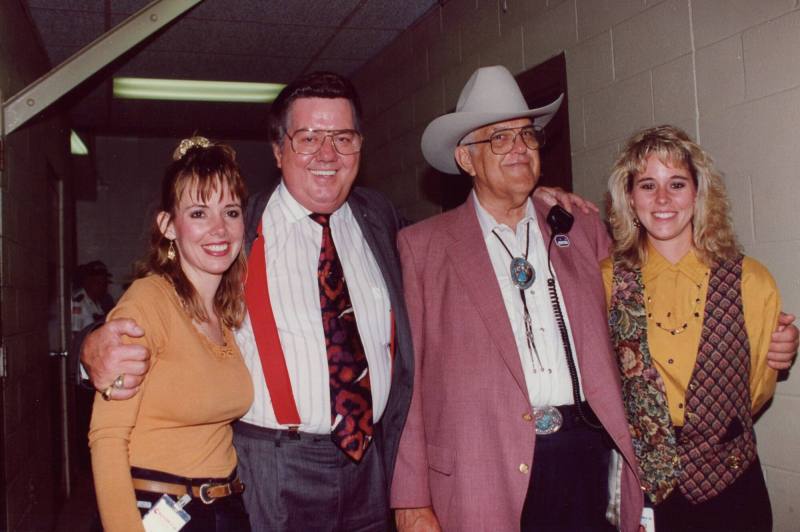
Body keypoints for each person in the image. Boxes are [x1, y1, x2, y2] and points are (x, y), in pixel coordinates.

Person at [83, 72, 415, 531]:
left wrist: (528, 204)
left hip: (372, 467)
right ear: (278, 150)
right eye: (308, 138)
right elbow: (154, 312)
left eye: (343, 137)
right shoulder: (241, 234)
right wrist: (90, 350)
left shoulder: (382, 218)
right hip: (275, 473)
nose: (327, 154)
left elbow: (448, 261)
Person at [390, 65, 643, 531]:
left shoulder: (579, 226)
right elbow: (408, 385)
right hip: (482, 468)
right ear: (466, 159)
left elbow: (640, 327)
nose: (519, 148)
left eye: (527, 135)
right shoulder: (423, 247)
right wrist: (410, 499)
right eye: (499, 138)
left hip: (587, 457)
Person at [603, 125, 780, 532]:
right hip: (643, 485)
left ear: (698, 194)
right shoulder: (605, 281)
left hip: (732, 484)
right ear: (629, 198)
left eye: (676, 184)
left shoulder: (751, 281)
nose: (662, 199)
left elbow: (756, 388)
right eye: (648, 185)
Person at [89, 137, 253, 531]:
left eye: (230, 211)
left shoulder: (226, 312)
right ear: (168, 226)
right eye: (199, 213)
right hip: (159, 511)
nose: (219, 228)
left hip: (226, 509)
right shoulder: (147, 302)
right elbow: (107, 436)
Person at [71, 260, 113, 333]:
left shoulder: (100, 301)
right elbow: (75, 333)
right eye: (98, 283)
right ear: (87, 282)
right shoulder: (77, 301)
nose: (102, 287)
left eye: (104, 283)